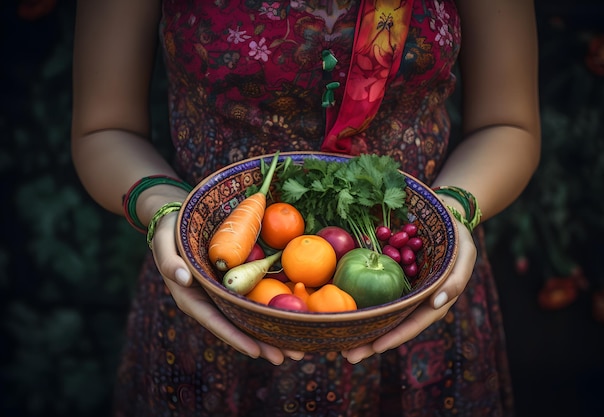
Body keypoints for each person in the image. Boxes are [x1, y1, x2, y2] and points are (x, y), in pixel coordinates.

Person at [71, 0, 541, 415]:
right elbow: (104, 129)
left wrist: (451, 213)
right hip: (209, 287)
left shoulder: (418, 261)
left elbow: (508, 124)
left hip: (415, 285)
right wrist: (166, 212)